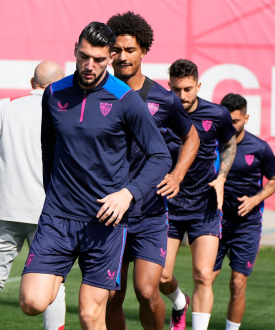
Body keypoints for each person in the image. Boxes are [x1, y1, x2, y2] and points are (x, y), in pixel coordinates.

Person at [19, 22, 171, 330]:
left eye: (99, 59)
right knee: (32, 303)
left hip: (105, 222)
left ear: (111, 57)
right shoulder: (54, 93)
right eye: (84, 56)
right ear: (75, 50)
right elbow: (48, 146)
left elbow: (160, 156)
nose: (90, 66)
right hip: (58, 217)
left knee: (90, 315)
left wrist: (128, 193)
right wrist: (53, 189)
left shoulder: (125, 99)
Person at [105, 12, 200, 330]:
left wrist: (177, 174)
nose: (122, 57)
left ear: (143, 50)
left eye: (130, 50)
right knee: (111, 298)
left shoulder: (164, 99)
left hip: (149, 212)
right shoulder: (96, 95)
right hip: (110, 213)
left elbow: (192, 137)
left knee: (147, 291)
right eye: (116, 50)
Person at [0, 61, 67, 330]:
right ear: (59, 84)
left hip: (6, 209)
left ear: (31, 81)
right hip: (48, 212)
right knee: (54, 282)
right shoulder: (64, 109)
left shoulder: (5, 105)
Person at [159, 59, 237, 330]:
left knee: (204, 275)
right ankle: (180, 302)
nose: (182, 96)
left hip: (204, 206)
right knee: (161, 276)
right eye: (177, 89)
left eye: (188, 89)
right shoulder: (159, 112)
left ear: (198, 85)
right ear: (169, 86)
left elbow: (229, 144)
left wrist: (222, 177)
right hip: (168, 204)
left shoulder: (217, 114)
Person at [213, 93, 275, 330]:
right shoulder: (211, 144)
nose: (230, 126)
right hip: (215, 221)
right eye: (226, 120)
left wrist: (255, 200)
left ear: (246, 118)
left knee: (238, 283)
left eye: (235, 121)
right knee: (205, 278)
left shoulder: (260, 148)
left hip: (247, 224)